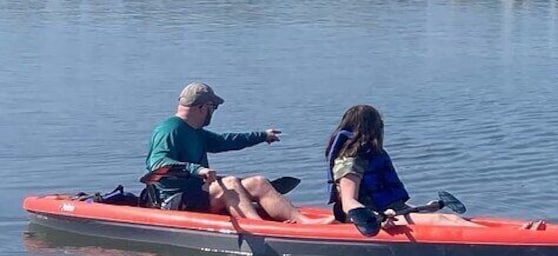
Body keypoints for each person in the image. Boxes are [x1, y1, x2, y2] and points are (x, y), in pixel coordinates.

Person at [146, 82, 332, 224]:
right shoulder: (169, 130)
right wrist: (197, 170)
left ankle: (304, 222)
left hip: (199, 191)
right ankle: (259, 228)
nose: (214, 112)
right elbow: (157, 163)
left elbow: (225, 141)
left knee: (258, 182)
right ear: (202, 107)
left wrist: (262, 136)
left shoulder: (195, 131)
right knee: (230, 182)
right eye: (214, 108)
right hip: (174, 199)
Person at [324, 104, 484, 228]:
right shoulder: (350, 161)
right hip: (369, 219)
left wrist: (421, 209)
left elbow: (392, 204)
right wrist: (376, 218)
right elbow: (348, 203)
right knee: (442, 220)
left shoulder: (371, 155)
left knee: (452, 218)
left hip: (392, 211)